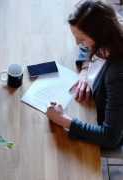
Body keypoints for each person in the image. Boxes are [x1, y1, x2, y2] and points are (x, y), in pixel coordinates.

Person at [46, 0, 123, 148]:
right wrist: (86, 68)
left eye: (81, 39)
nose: (77, 43)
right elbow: (86, 49)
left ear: (100, 35)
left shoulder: (117, 75)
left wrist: (64, 120)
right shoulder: (114, 25)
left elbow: (111, 137)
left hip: (107, 126)